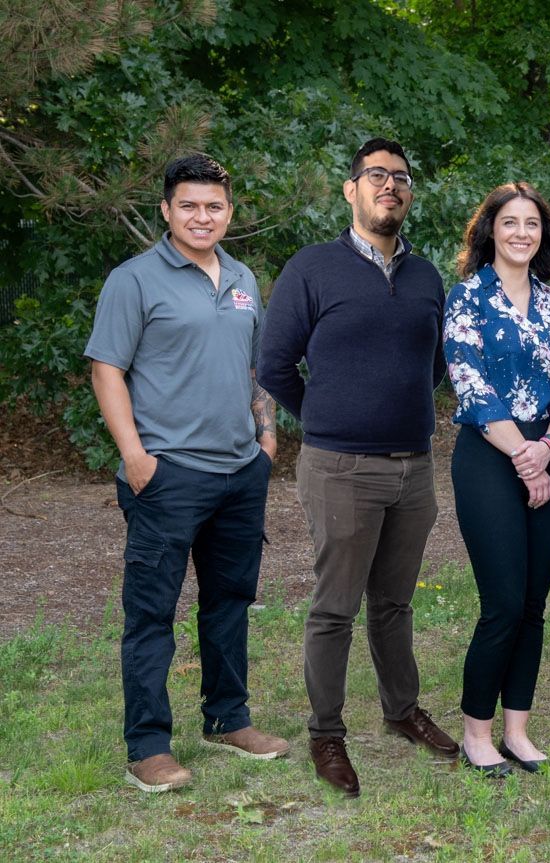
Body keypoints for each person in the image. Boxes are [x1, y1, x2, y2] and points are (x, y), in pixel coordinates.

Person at [258, 137, 456, 798]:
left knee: (394, 603)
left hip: (413, 469)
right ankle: (327, 730)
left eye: (401, 177)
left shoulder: (428, 278)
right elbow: (274, 364)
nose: (390, 185)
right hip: (339, 465)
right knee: (335, 606)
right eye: (377, 175)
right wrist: (324, 414)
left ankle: (402, 711)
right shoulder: (314, 268)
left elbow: (433, 368)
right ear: (351, 189)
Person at [86, 153, 289, 793]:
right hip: (168, 475)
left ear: (229, 212)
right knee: (151, 613)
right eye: (190, 206)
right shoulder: (135, 280)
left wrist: (267, 435)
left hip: (239, 471)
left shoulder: (242, 277)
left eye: (215, 206)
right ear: (168, 210)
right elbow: (107, 370)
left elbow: (256, 367)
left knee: (229, 603)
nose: (203, 217)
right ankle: (148, 746)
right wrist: (137, 457)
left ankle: (228, 719)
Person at [443, 182, 550, 777]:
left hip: (549, 449)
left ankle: (518, 732)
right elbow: (469, 383)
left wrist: (547, 448)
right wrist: (524, 456)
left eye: (532, 224)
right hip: (488, 457)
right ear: (489, 230)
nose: (522, 233)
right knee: (501, 603)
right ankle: (477, 733)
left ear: (542, 235)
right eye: (510, 222)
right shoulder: (466, 298)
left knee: (533, 604)